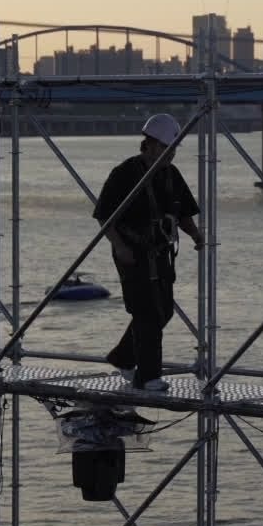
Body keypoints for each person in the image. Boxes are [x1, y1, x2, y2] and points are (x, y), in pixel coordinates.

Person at [93, 114, 201, 392]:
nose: (171, 154)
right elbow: (105, 216)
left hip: (161, 254)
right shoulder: (124, 173)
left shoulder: (171, 175)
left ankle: (123, 357)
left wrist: (196, 236)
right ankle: (148, 377)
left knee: (164, 311)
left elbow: (184, 213)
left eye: (173, 149)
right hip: (133, 253)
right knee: (146, 313)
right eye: (166, 148)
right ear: (149, 144)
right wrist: (119, 246)